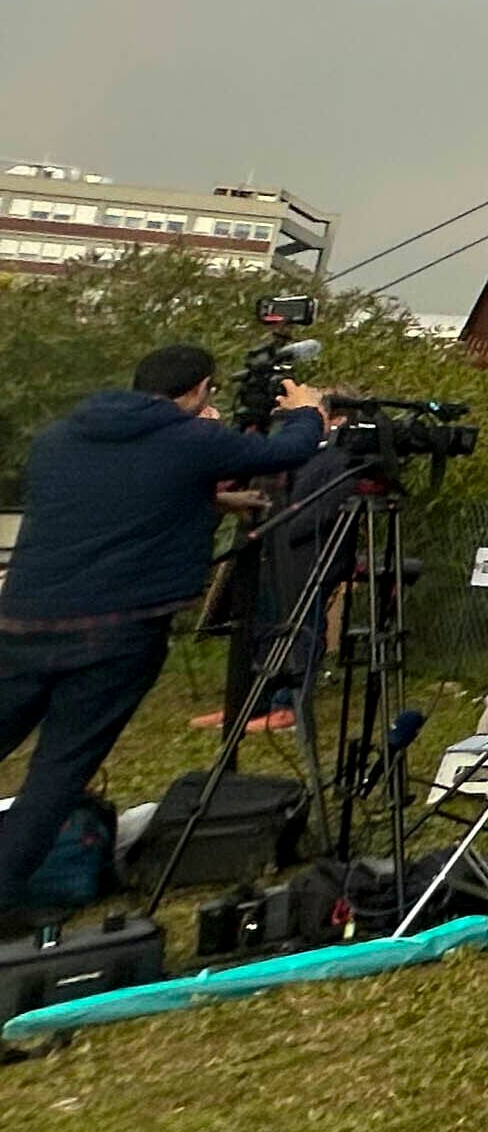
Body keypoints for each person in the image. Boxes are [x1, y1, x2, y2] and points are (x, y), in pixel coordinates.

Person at [0, 345, 332, 915]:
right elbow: (292, 450)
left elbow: (112, 501)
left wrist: (206, 499)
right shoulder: (191, 440)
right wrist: (308, 409)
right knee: (55, 775)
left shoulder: (59, 438)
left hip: (22, 623)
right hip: (116, 634)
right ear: (201, 389)